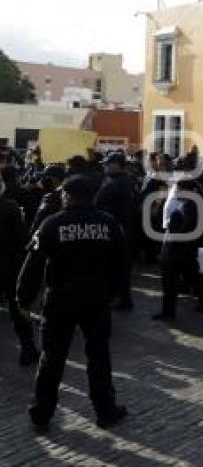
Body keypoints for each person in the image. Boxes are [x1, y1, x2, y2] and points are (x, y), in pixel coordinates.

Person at [17, 175, 128, 432]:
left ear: (67, 195)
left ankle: (41, 413)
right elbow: (121, 262)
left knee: (52, 357)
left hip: (60, 299)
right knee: (98, 355)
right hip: (96, 298)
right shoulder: (108, 223)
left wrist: (23, 298)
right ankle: (105, 410)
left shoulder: (51, 224)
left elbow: (32, 264)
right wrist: (117, 292)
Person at [152, 177, 203, 320]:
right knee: (195, 276)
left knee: (169, 281)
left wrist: (172, 240)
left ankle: (168, 312)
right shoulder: (193, 202)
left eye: (179, 189)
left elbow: (187, 227)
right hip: (187, 248)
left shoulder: (189, 205)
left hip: (178, 249)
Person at [0, 169, 38, 365]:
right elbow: (23, 240)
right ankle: (28, 348)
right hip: (9, 266)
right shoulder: (10, 208)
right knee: (18, 310)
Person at [95, 152, 135, 310]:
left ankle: (120, 298)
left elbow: (102, 203)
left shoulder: (118, 182)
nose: (105, 166)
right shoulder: (118, 180)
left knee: (118, 266)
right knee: (118, 265)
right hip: (119, 228)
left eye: (109, 163)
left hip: (117, 228)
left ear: (118, 165)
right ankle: (121, 297)